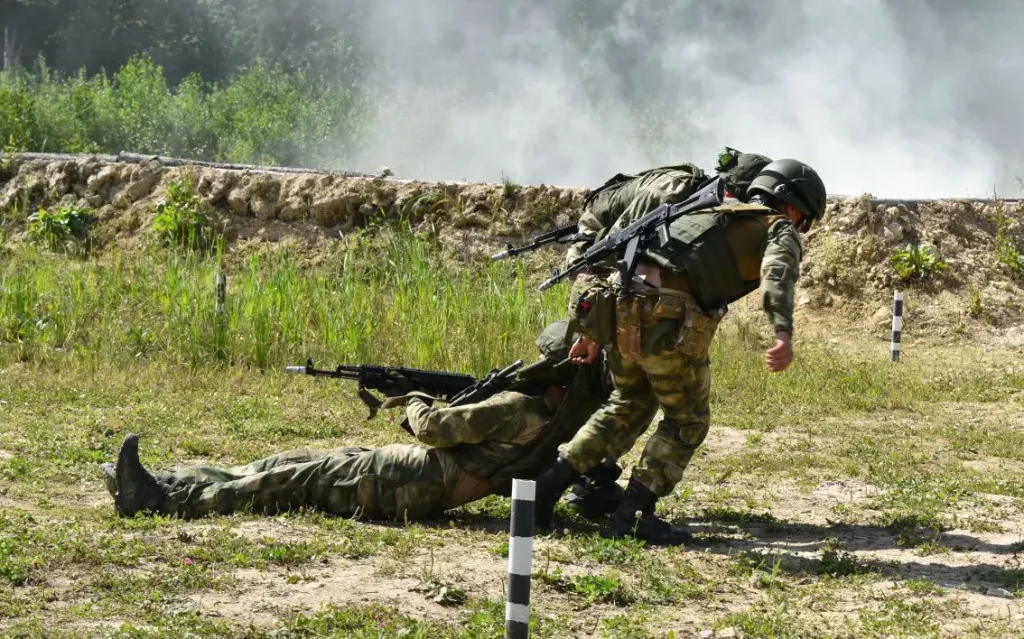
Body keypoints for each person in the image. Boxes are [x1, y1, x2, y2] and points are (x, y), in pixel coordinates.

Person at [533, 158, 828, 545]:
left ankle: (546, 490)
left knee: (628, 401)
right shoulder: (777, 226)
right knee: (687, 420)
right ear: (792, 205)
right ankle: (634, 516)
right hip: (666, 319)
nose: (800, 228)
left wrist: (590, 329)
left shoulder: (707, 207)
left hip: (620, 304)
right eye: (804, 220)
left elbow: (627, 249)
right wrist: (783, 332)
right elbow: (777, 275)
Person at [103, 321, 619, 521]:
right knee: (294, 461)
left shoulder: (519, 408)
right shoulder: (559, 423)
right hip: (423, 478)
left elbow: (435, 429)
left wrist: (413, 398)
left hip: (417, 480)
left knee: (294, 478)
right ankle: (171, 482)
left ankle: (158, 499)